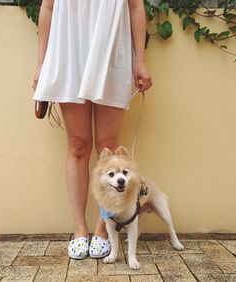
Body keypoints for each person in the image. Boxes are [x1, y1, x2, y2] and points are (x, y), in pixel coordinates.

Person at [32, 0, 152, 259]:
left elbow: (135, 7)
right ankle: (79, 229)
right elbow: (48, 8)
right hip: (67, 55)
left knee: (107, 149)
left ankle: (102, 228)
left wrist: (139, 60)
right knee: (77, 147)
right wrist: (41, 64)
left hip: (111, 55)